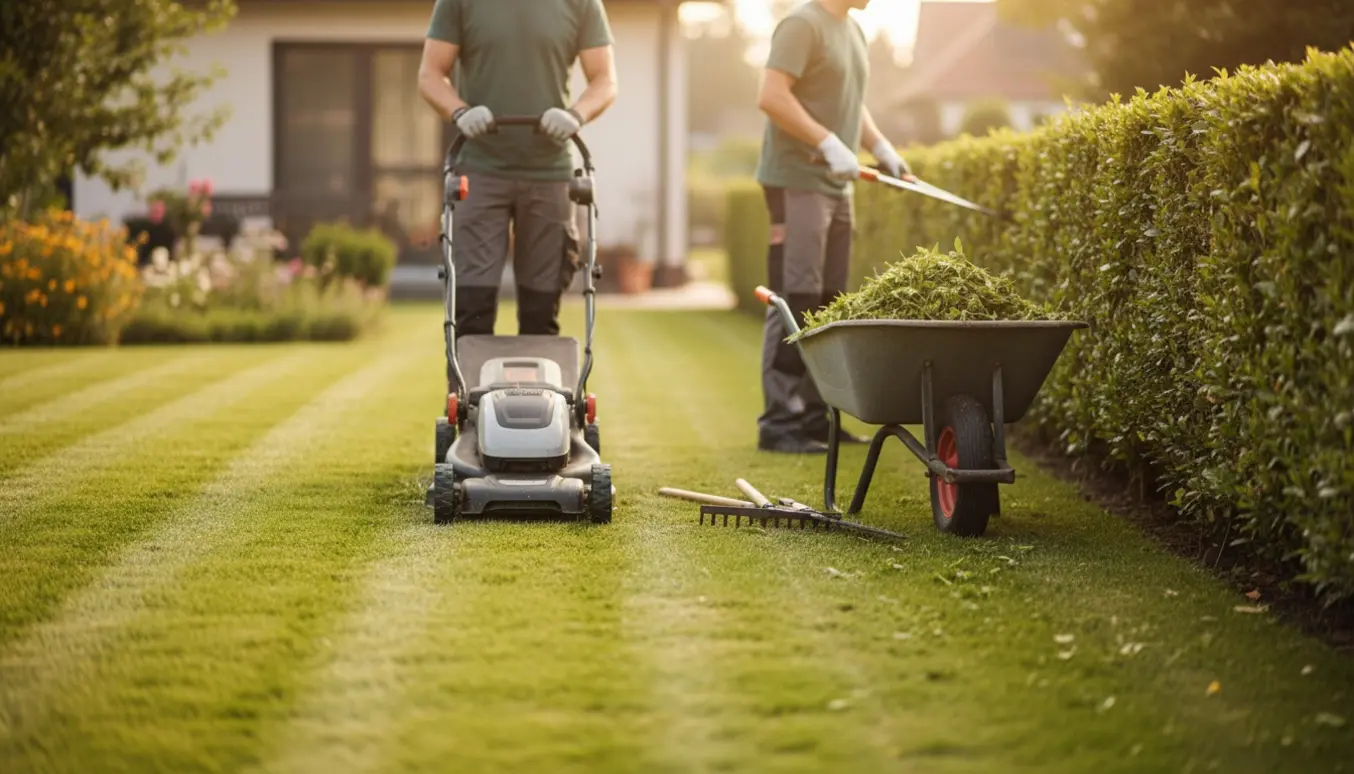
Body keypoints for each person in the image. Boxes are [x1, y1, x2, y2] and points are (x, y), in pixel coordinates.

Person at [752, 0, 910, 454]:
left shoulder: (852, 31)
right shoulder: (803, 25)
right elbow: (771, 95)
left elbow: (849, 105)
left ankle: (817, 418)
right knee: (795, 297)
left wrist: (881, 148)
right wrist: (825, 141)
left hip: (837, 188)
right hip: (796, 181)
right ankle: (781, 421)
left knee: (829, 303)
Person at [418, 0, 618, 341]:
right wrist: (460, 112)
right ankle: (469, 394)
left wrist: (575, 115)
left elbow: (604, 80)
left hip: (550, 173)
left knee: (541, 315)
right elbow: (431, 74)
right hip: (479, 170)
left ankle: (539, 394)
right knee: (471, 311)